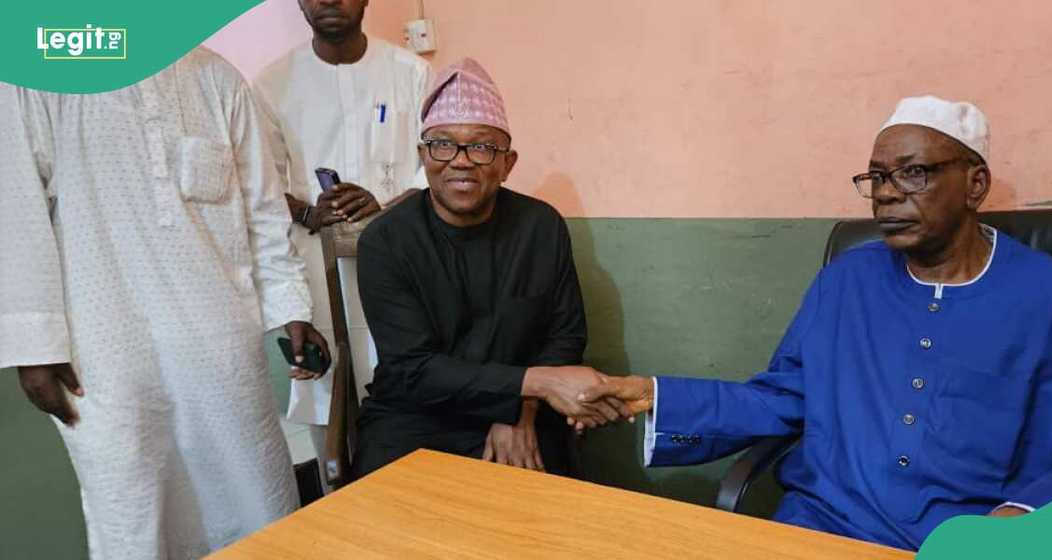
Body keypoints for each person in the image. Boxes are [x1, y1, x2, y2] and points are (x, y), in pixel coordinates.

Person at [578, 96, 1052, 550]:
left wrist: (1026, 515)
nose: (886, 192)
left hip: (968, 542)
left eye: (913, 173)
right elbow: (785, 397)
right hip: (823, 529)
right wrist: (654, 394)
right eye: (878, 177)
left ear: (975, 184)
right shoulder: (846, 280)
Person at [0, 47, 331, 559]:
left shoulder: (218, 79)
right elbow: (15, 211)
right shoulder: (37, 78)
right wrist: (33, 345)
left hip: (218, 341)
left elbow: (263, 209)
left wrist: (292, 308)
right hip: (104, 348)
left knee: (253, 492)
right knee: (130, 503)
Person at [353, 58, 628, 476]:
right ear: (423, 156)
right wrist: (534, 384)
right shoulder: (386, 240)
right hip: (416, 416)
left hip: (525, 414)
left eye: (481, 147)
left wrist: (522, 409)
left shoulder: (541, 227)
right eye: (443, 144)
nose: (460, 161)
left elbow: (565, 335)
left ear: (508, 163)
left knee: (542, 515)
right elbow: (414, 368)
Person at [253, 0, 432, 478]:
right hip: (317, 271)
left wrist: (385, 209)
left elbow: (431, 168)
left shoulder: (411, 73)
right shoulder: (272, 84)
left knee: (409, 412)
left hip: (403, 267)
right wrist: (311, 211)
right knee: (327, 414)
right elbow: (259, 184)